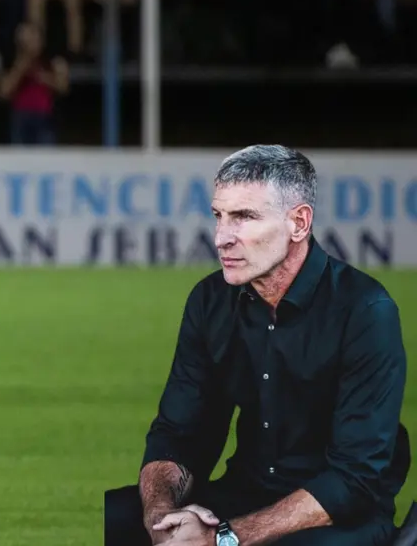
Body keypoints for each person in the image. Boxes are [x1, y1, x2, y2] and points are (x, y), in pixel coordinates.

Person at [104, 144, 409, 546]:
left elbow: (355, 477)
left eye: (244, 217)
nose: (221, 238)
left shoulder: (366, 309)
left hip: (336, 517)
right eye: (219, 216)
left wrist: (223, 539)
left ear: (298, 223)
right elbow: (179, 434)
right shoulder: (209, 300)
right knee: (117, 518)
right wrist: (162, 516)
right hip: (241, 496)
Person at [0, 23, 67, 146]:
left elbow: (63, 87)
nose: (30, 44)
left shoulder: (53, 61)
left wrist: (44, 78)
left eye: (34, 38)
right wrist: (22, 66)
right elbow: (3, 92)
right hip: (21, 118)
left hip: (44, 118)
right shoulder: (12, 63)